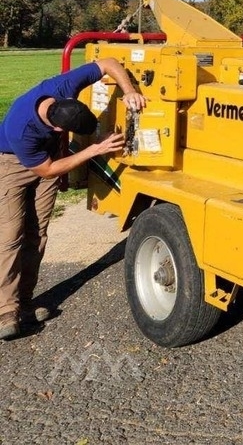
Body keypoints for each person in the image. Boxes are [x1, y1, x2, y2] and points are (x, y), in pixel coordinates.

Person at [0, 57, 145, 340]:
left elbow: (108, 63)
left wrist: (129, 91)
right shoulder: (22, 128)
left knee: (37, 233)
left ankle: (25, 305)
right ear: (58, 129)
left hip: (51, 156)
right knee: (10, 237)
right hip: (14, 164)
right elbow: (47, 169)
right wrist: (93, 150)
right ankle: (5, 310)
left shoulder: (64, 86)